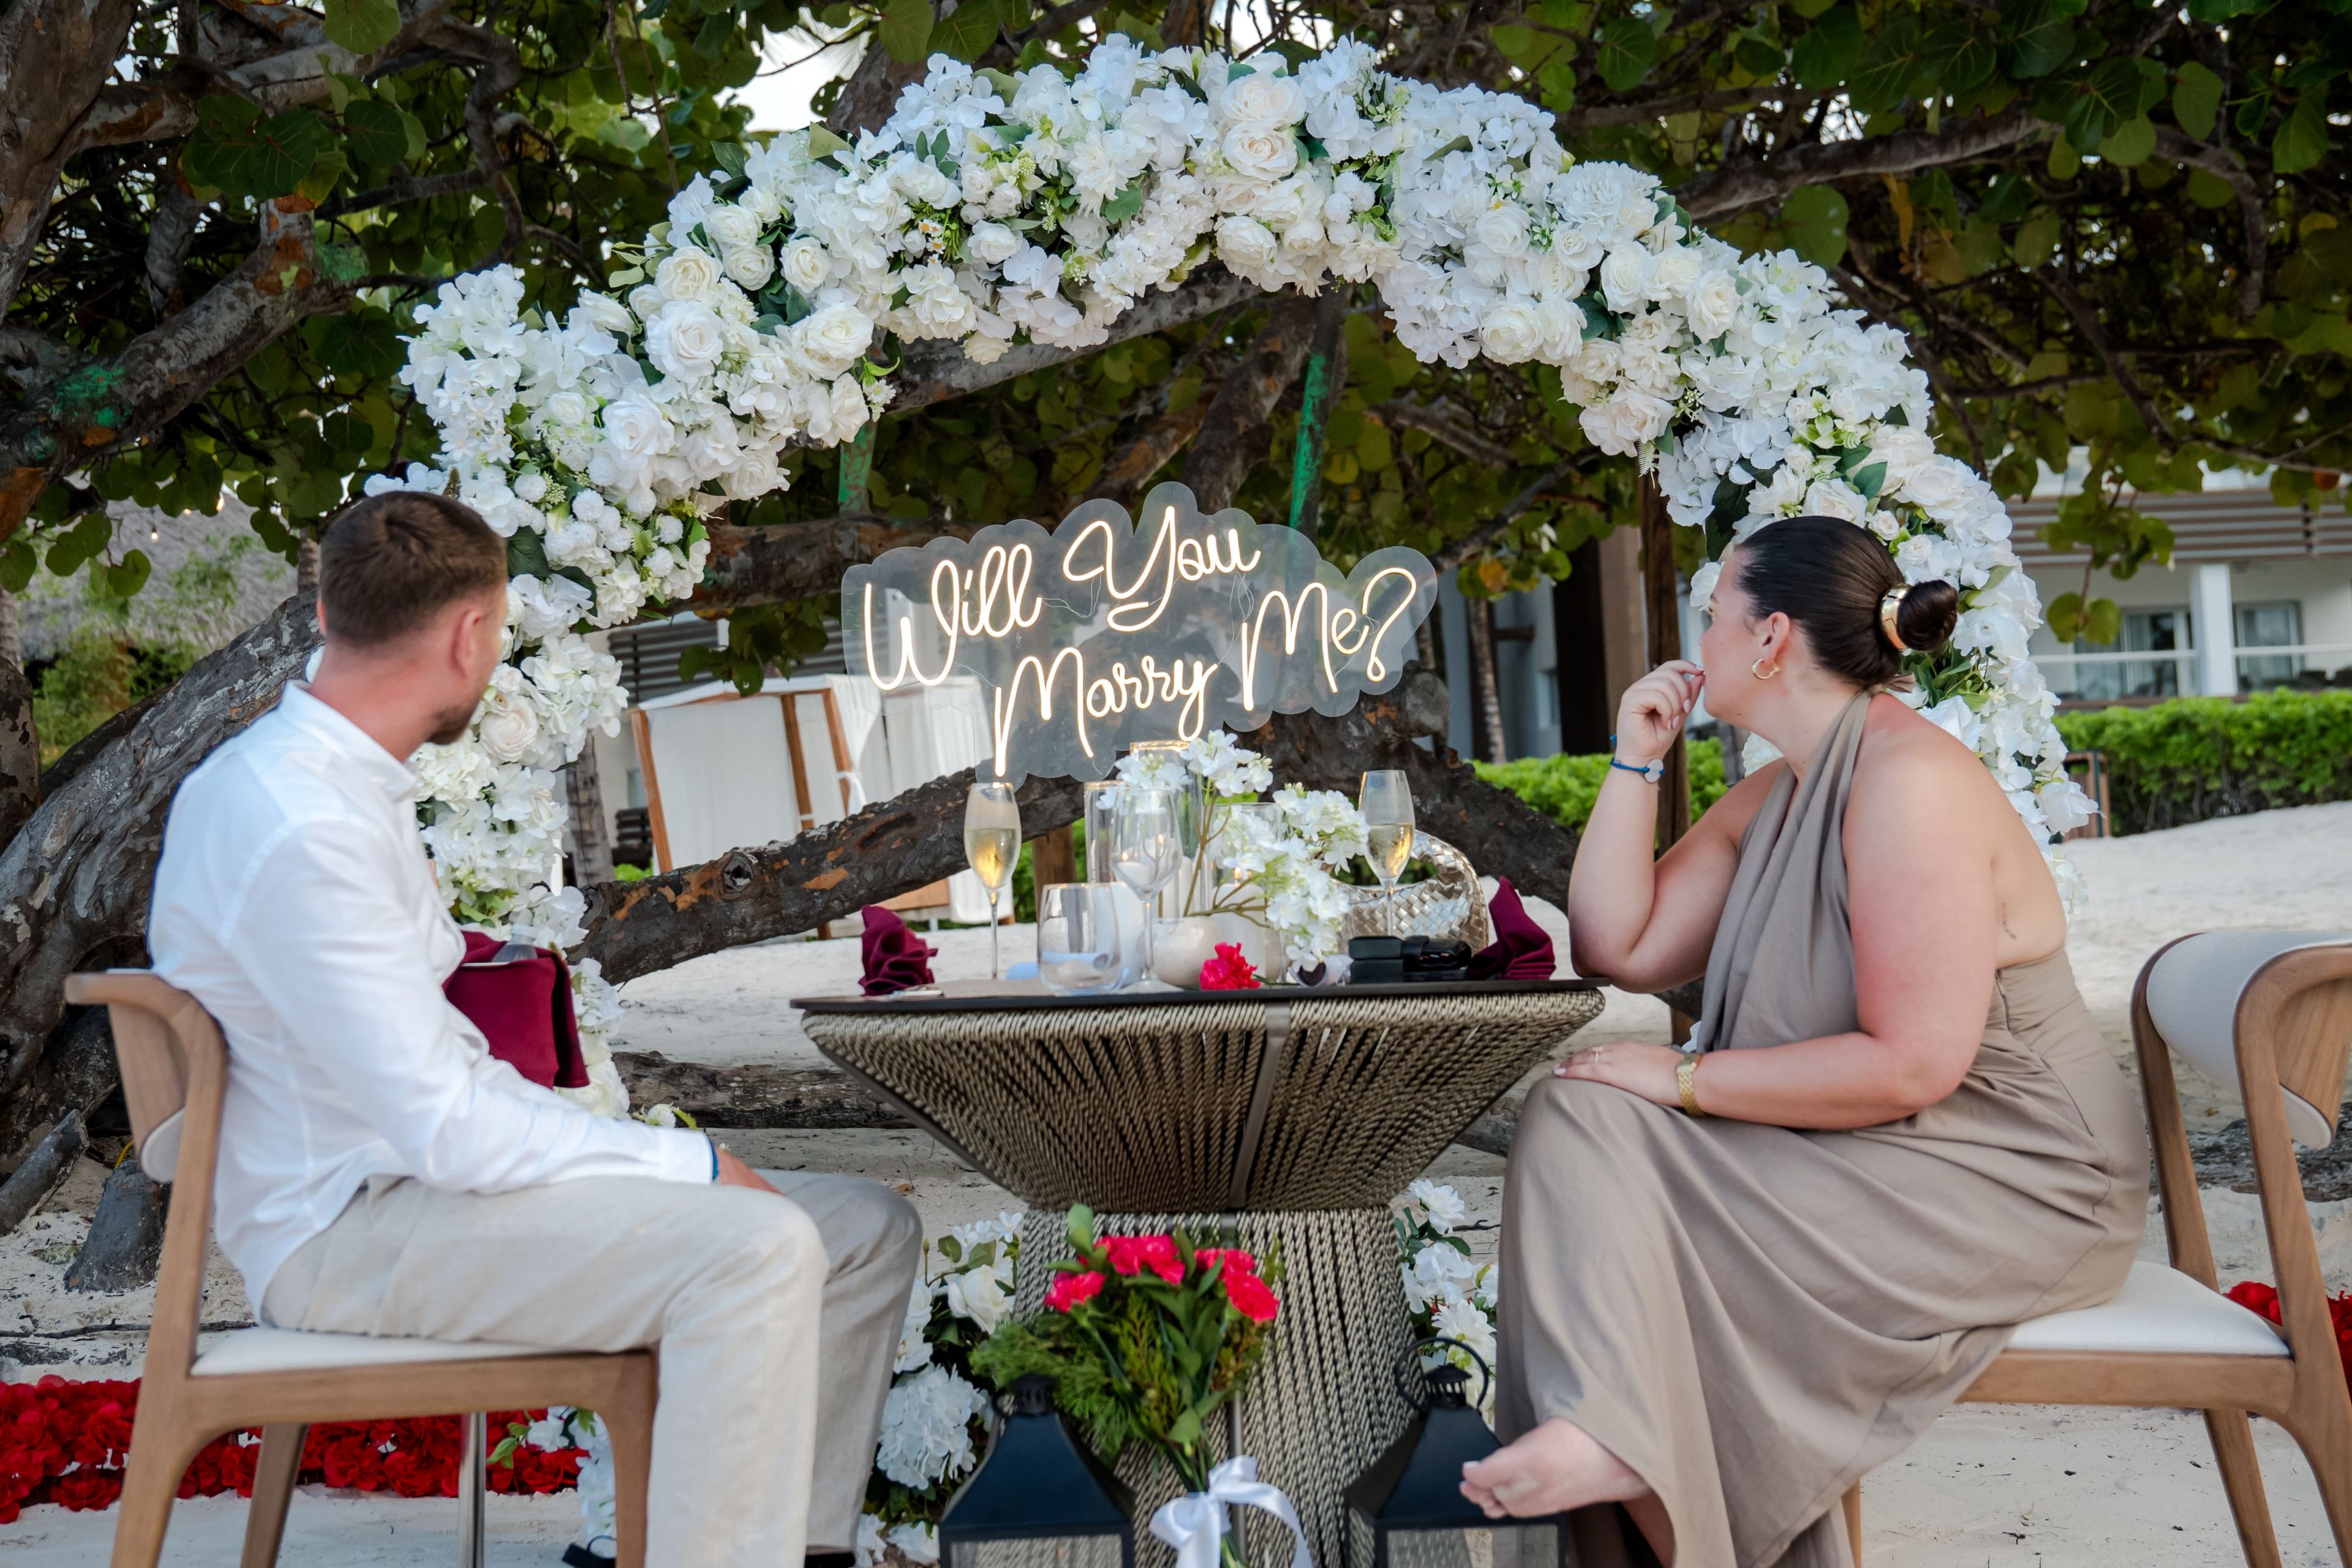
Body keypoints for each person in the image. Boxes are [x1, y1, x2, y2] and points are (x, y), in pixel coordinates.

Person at [148, 491, 921, 1568]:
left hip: (404, 1195)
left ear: (325, 610)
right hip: (347, 1231)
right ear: (471, 636)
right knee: (753, 1247)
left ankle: (795, 1550)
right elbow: (446, 1133)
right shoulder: (300, 824)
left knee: (859, 1229)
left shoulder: (327, 789)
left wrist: (663, 1168)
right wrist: (688, 1163)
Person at [1461, 514, 2148, 1567]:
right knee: (1580, 1103)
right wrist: (1633, 760)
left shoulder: (1909, 786)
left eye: (1711, 613)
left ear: (1772, 637)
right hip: (1874, 1142)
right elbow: (1617, 945)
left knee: (1625, 1114)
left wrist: (1685, 1077)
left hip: (2006, 1169)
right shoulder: (1781, 790)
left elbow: (1917, 1063)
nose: (1698, 638)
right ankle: (1612, 1431)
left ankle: (1622, 1436)